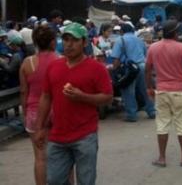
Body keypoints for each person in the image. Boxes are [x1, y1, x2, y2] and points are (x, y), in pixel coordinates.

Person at [33, 23, 113, 184]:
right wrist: (40, 127)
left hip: (85, 135)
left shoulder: (97, 68)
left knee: (86, 180)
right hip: (57, 136)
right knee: (54, 180)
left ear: (84, 43)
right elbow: (46, 97)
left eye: (74, 40)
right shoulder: (54, 67)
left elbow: (108, 97)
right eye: (66, 39)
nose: (69, 44)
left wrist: (83, 96)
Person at [146, 20, 182, 168]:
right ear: (175, 33)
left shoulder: (153, 47)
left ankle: (162, 158)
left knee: (162, 124)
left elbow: (147, 69)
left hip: (161, 90)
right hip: (179, 90)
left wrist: (149, 87)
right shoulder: (181, 47)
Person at [19, 26, 58, 185]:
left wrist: (25, 113)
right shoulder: (61, 60)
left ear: (34, 42)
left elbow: (23, 92)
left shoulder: (27, 63)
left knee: (40, 157)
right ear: (53, 42)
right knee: (64, 156)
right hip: (57, 112)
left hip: (34, 114)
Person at [111, 23, 156, 122]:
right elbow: (145, 54)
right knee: (145, 89)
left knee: (128, 92)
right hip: (142, 66)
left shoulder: (120, 40)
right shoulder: (140, 40)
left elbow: (116, 59)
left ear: (122, 31)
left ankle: (131, 115)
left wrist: (114, 70)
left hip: (130, 69)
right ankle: (152, 111)